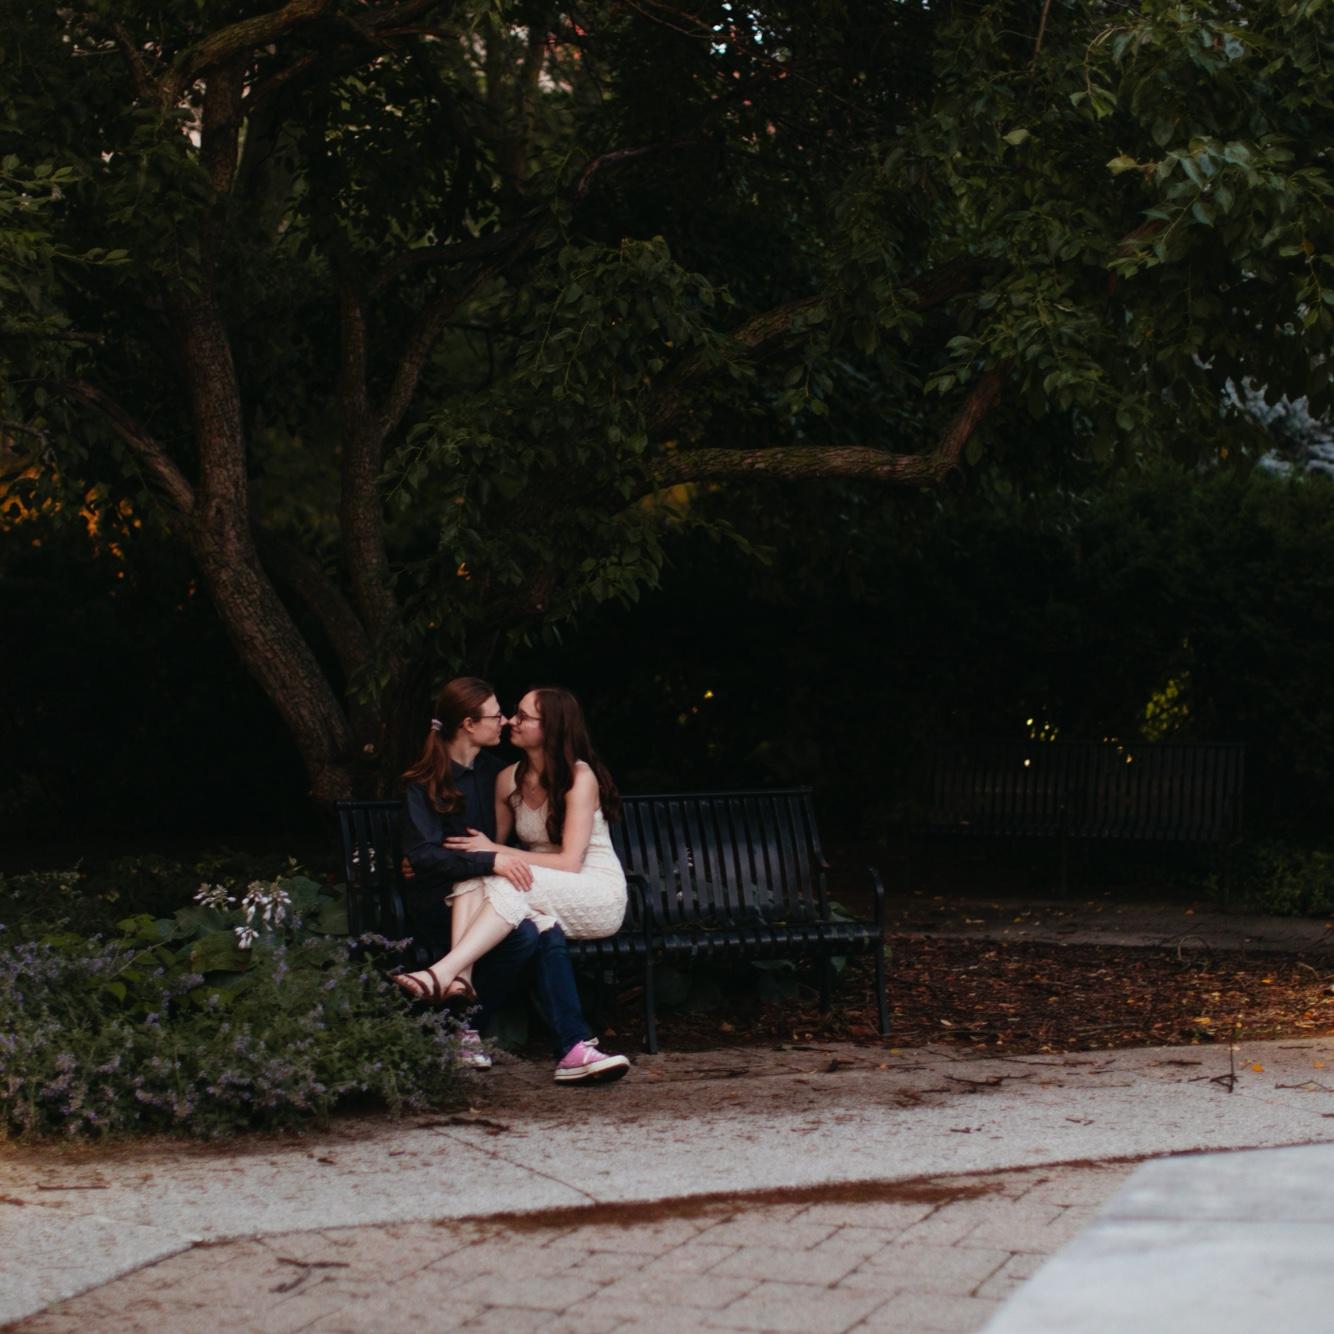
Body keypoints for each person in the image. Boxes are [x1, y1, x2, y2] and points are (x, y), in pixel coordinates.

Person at [398, 677, 629, 1084]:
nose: (507, 721)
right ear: (469, 724)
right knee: (536, 930)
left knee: (526, 923)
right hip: (447, 896)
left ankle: (450, 985)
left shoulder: (499, 772)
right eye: (501, 715)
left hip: (539, 887)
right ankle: (572, 1048)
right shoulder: (438, 780)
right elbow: (470, 853)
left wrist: (491, 858)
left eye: (521, 716)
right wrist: (439, 859)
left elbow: (499, 852)